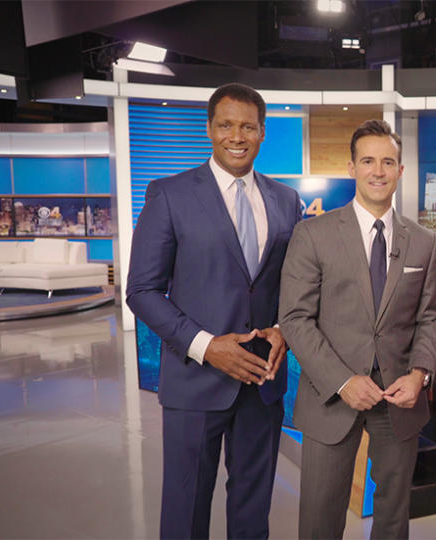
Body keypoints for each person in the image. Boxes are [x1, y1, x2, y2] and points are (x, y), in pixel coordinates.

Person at [127, 83, 303, 539]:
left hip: (262, 381)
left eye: (248, 126)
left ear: (263, 131)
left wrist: (285, 326)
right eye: (226, 125)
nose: (236, 135)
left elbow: (295, 283)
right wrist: (206, 347)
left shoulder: (286, 200)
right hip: (194, 380)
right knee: (186, 510)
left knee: (253, 508)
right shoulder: (169, 194)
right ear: (210, 129)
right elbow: (142, 290)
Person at [278, 119, 436, 539]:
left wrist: (420, 373)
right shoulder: (312, 234)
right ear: (351, 167)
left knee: (392, 517)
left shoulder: (422, 242)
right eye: (368, 160)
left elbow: (430, 316)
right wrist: (342, 381)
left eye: (388, 161)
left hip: (398, 399)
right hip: (330, 399)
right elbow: (295, 318)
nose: (378, 170)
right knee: (319, 517)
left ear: (400, 170)